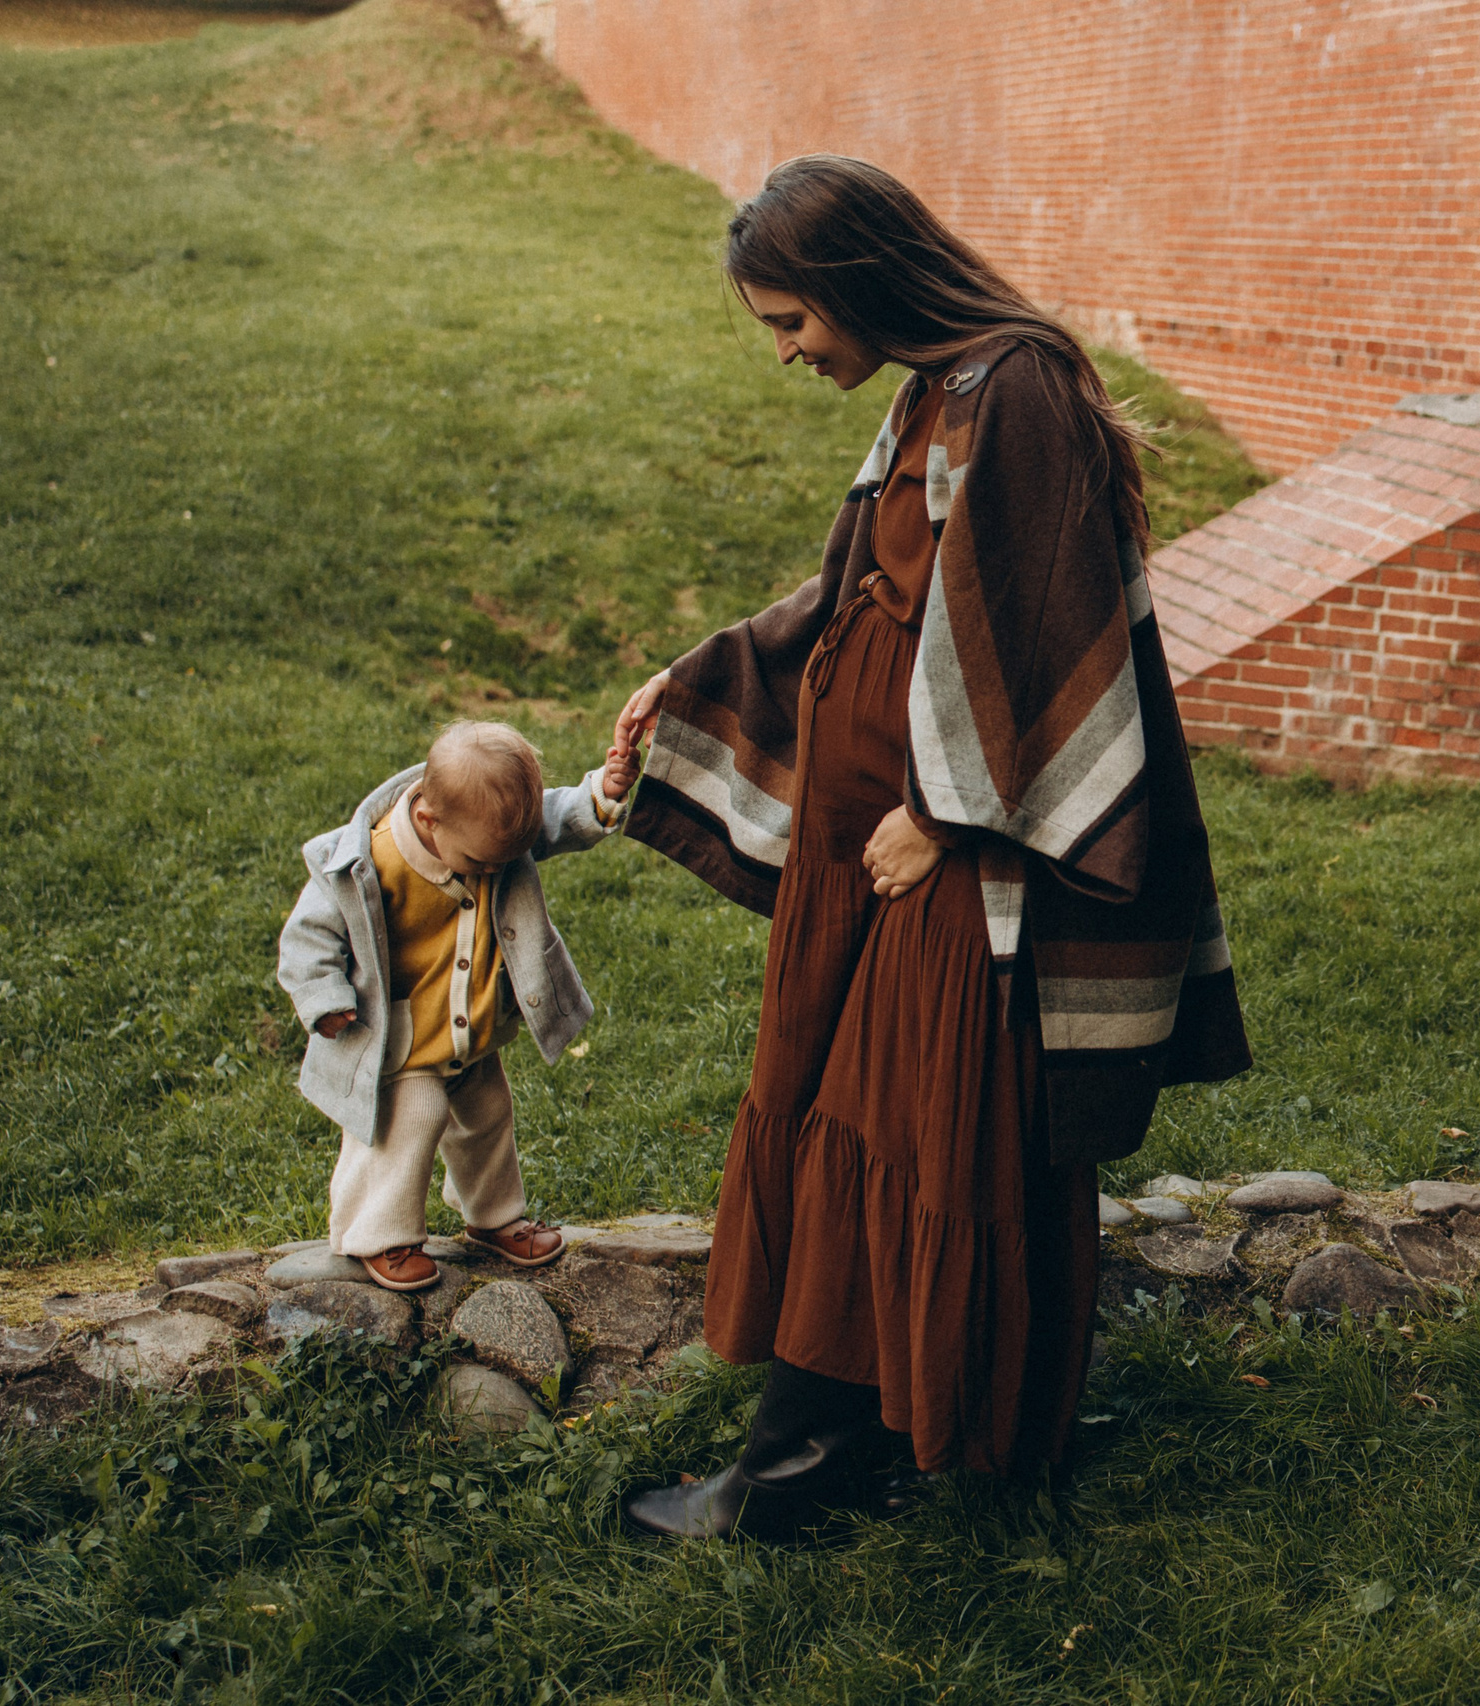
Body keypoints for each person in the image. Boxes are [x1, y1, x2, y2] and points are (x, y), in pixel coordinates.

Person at [609, 156, 1250, 1542]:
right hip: (878, 839)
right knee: (849, 1110)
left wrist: (949, 814)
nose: (787, 354)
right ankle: (856, 1444)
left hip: (959, 850)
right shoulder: (932, 391)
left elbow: (1037, 611)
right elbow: (861, 589)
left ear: (855, 282)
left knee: (927, 1131)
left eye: (790, 322)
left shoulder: (1015, 390)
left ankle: (827, 1470)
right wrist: (691, 678)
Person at [277, 721, 639, 1292]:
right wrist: (324, 998)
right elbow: (308, 938)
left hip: (473, 1033)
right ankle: (381, 1233)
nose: (495, 872)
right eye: (481, 863)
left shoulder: (489, 832)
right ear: (428, 820)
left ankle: (493, 1217)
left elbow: (553, 816)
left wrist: (602, 794)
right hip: (406, 1041)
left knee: (489, 1117)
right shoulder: (365, 863)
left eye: (506, 860)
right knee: (408, 1124)